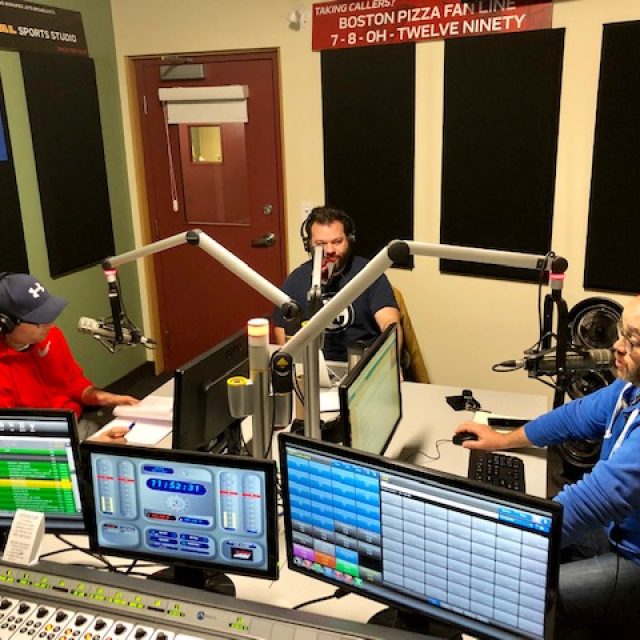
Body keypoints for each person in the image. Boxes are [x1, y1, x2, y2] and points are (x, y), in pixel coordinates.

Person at [454, 295, 640, 638]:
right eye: (621, 333)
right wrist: (503, 440)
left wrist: (502, 538)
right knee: (508, 564)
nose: (617, 346)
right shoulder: (629, 389)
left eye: (633, 340)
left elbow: (595, 499)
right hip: (612, 531)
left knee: (518, 594)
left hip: (633, 561)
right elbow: (575, 416)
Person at [0, 272, 138, 437]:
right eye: (38, 319)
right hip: (36, 440)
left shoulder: (52, 336)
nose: (49, 324)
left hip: (74, 424)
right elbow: (9, 436)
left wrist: (102, 397)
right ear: (5, 324)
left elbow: (73, 380)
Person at [272, 206, 401, 361]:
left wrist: (389, 362)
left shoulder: (369, 273)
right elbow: (282, 329)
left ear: (349, 240)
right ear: (308, 245)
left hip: (362, 365)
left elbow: (390, 325)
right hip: (314, 366)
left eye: (337, 242)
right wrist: (297, 365)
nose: (329, 250)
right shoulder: (297, 279)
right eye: (321, 244)